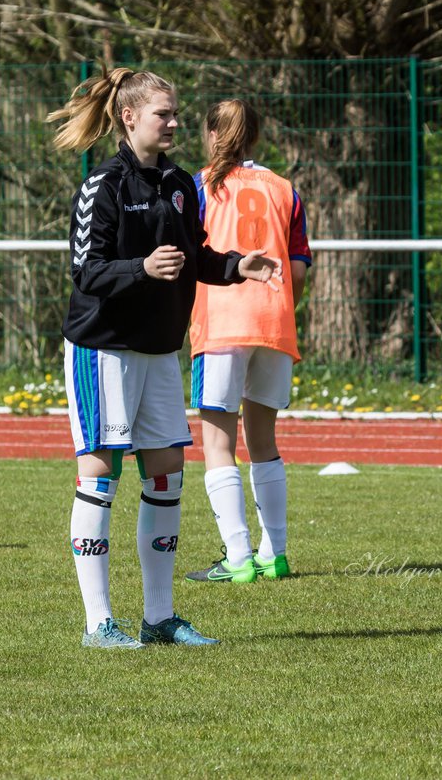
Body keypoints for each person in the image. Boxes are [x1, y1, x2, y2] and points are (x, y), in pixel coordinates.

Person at [47, 68, 282, 649]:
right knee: (101, 475)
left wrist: (234, 266)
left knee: (166, 475)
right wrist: (140, 269)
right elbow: (85, 270)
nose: (175, 123)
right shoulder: (102, 185)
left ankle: (160, 617)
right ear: (129, 118)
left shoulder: (181, 182)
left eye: (176, 113)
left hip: (157, 353)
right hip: (103, 349)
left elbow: (195, 254)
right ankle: (99, 622)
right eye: (164, 114)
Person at [183, 100, 310, 584]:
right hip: (274, 322)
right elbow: (297, 268)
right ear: (255, 139)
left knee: (218, 442)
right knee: (263, 441)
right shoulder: (284, 189)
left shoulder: (199, 186)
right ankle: (274, 554)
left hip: (220, 323)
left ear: (213, 135)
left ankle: (237, 557)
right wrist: (277, 306)